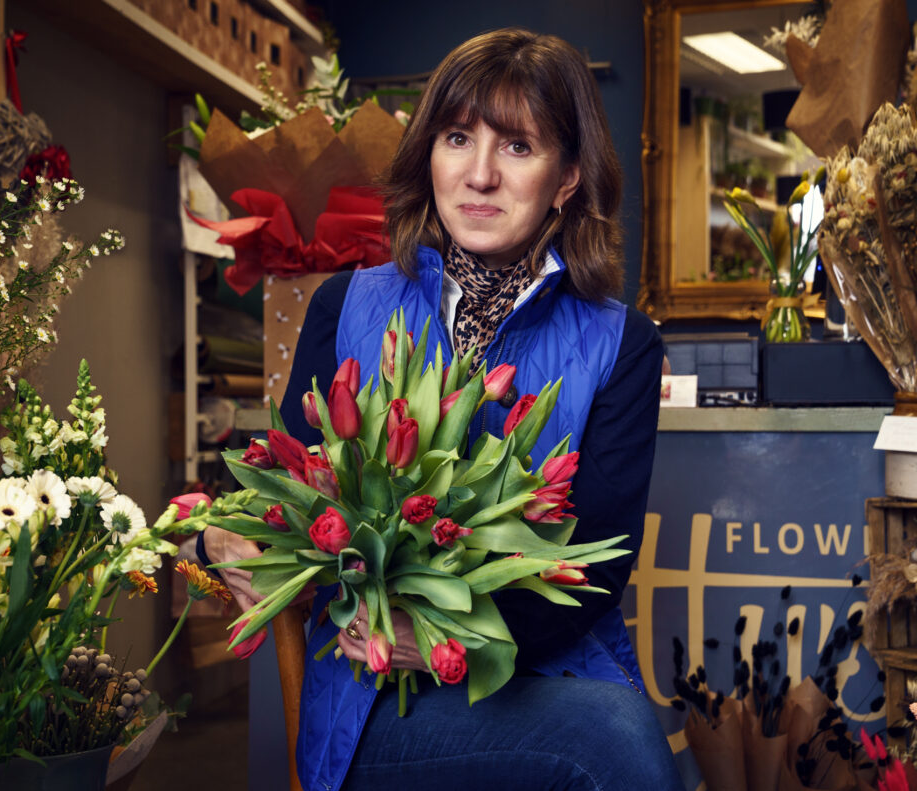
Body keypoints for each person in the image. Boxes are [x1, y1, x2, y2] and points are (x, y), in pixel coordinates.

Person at [202, 28, 683, 791]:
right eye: (458, 138)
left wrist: (447, 636)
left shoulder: (622, 343)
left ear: (567, 177)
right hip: (372, 695)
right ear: (429, 156)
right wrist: (223, 540)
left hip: (538, 675)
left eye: (518, 147)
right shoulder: (346, 305)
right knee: (614, 742)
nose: (480, 174)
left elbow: (595, 569)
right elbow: (282, 500)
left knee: (610, 733)